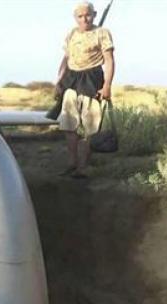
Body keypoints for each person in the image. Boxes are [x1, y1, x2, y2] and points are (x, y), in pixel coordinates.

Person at [55, 1, 115, 179]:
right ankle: (72, 162)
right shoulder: (72, 34)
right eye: (80, 16)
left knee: (90, 127)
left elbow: (110, 60)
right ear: (75, 18)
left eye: (87, 15)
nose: (84, 19)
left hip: (91, 79)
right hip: (71, 80)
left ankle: (83, 167)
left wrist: (107, 85)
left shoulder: (102, 33)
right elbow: (65, 59)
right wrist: (58, 81)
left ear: (94, 15)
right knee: (68, 124)